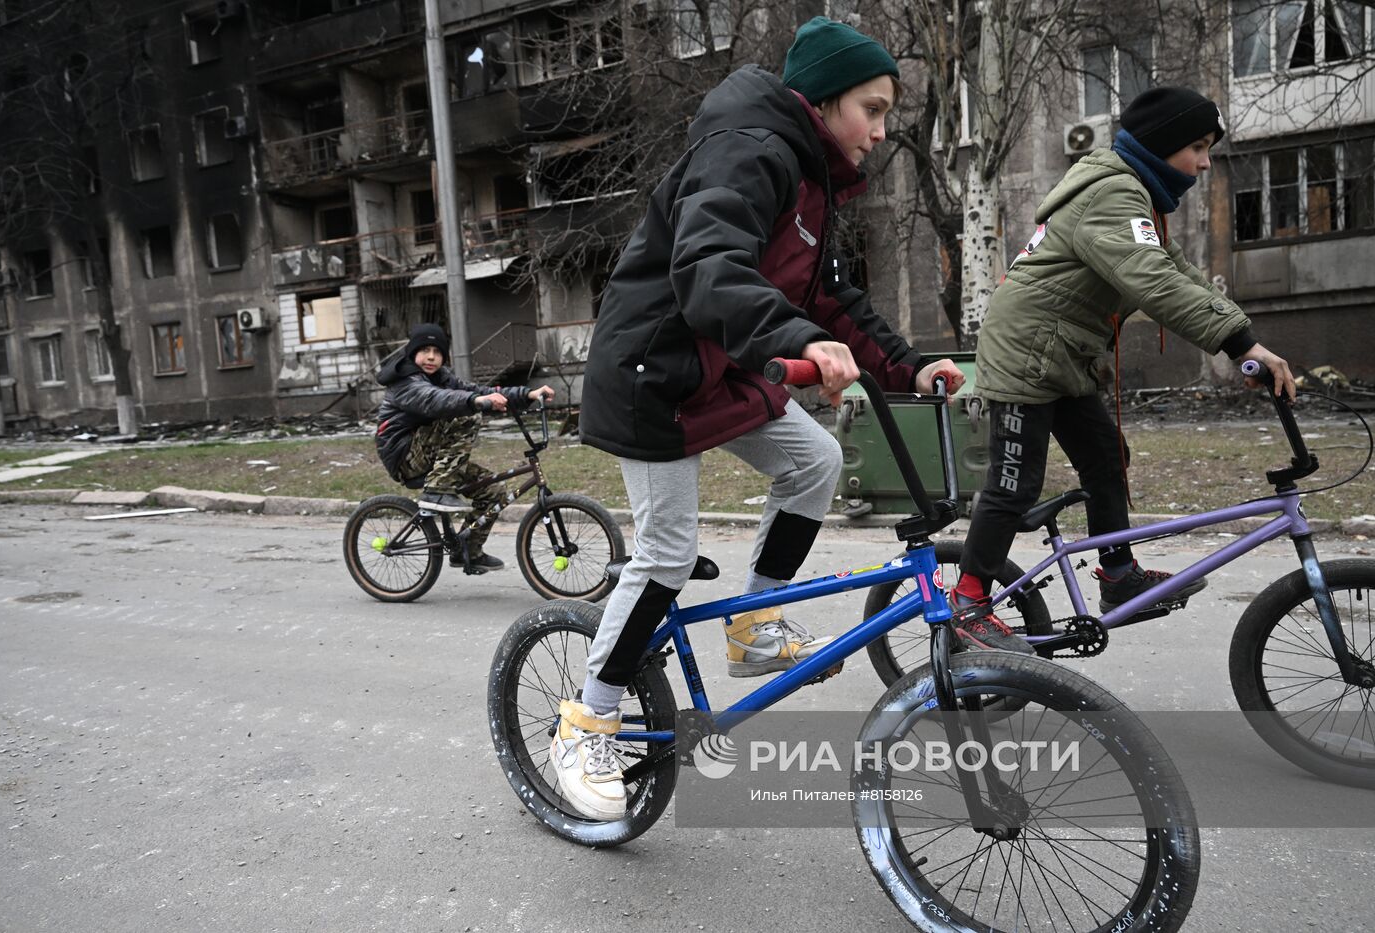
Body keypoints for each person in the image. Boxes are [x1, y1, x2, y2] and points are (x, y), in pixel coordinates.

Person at [550, 17, 966, 820]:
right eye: (872, 111)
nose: (881, 133)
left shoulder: (809, 179)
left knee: (813, 461)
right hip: (654, 378)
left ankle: (754, 627)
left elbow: (835, 298)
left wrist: (910, 367)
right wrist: (797, 338)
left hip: (721, 370)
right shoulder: (750, 151)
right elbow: (708, 267)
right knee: (667, 553)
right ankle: (588, 716)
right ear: (822, 101)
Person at [952, 86, 1298, 652]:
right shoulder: (1113, 195)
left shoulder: (1140, 199)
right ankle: (967, 599)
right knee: (1015, 482)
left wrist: (1249, 339)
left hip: (1061, 353)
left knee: (1107, 457)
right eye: (1197, 146)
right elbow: (1154, 284)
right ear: (1162, 145)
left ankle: (1116, 574)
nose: (1205, 161)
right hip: (1025, 353)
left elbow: (1178, 272)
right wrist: (1240, 345)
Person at [374, 322, 554, 571]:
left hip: (432, 454)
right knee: (468, 414)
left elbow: (481, 390)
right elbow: (434, 399)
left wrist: (527, 394)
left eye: (437, 352)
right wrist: (476, 401)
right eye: (424, 350)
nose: (431, 357)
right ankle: (437, 490)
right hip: (405, 454)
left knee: (494, 492)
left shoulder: (443, 378)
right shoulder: (404, 381)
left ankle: (468, 550)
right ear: (412, 352)